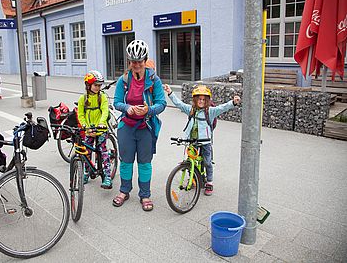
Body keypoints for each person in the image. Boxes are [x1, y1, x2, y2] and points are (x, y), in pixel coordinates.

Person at [112, 39, 166, 211]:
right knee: (126, 161)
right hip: (127, 127)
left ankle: (145, 195)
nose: (136, 65)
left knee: (144, 163)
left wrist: (148, 110)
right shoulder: (124, 79)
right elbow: (116, 102)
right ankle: (124, 191)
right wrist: (128, 108)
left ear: (145, 60)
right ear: (130, 62)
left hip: (146, 127)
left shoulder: (153, 80)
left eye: (139, 61)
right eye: (133, 61)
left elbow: (162, 103)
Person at [163, 84, 241, 195]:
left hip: (205, 142)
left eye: (204, 99)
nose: (201, 101)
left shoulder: (211, 111)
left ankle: (209, 183)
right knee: (191, 161)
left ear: (207, 101)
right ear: (195, 99)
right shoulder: (190, 110)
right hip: (192, 141)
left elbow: (222, 108)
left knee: (207, 162)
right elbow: (179, 104)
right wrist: (170, 93)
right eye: (199, 99)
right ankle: (194, 179)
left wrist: (233, 102)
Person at [77, 70, 112, 189]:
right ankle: (87, 172)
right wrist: (84, 125)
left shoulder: (102, 97)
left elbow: (105, 111)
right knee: (86, 152)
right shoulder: (83, 99)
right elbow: (80, 114)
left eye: (99, 85)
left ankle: (107, 176)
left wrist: (102, 123)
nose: (98, 87)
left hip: (101, 130)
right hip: (89, 130)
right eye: (96, 85)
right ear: (88, 85)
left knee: (103, 151)